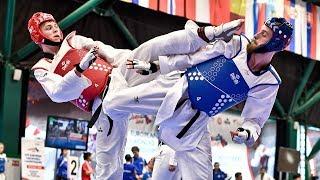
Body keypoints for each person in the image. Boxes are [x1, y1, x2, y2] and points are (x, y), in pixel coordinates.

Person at [28, 12, 241, 180]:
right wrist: (79, 70)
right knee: (108, 164)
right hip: (102, 106)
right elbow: (57, 93)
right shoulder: (42, 67)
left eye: (55, 25)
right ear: (38, 36)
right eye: (48, 28)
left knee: (152, 47)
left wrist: (130, 58)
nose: (55, 29)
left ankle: (209, 34)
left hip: (119, 76)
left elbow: (107, 51)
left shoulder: (75, 41)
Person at [103, 17, 293, 179]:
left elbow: (255, 120)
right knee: (112, 103)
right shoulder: (237, 44)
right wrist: (156, 66)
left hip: (196, 122)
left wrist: (246, 132)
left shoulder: (268, 82)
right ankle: (112, 76)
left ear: (277, 44)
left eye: (265, 34)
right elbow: (193, 58)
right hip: (176, 88)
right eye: (261, 31)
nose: (257, 35)